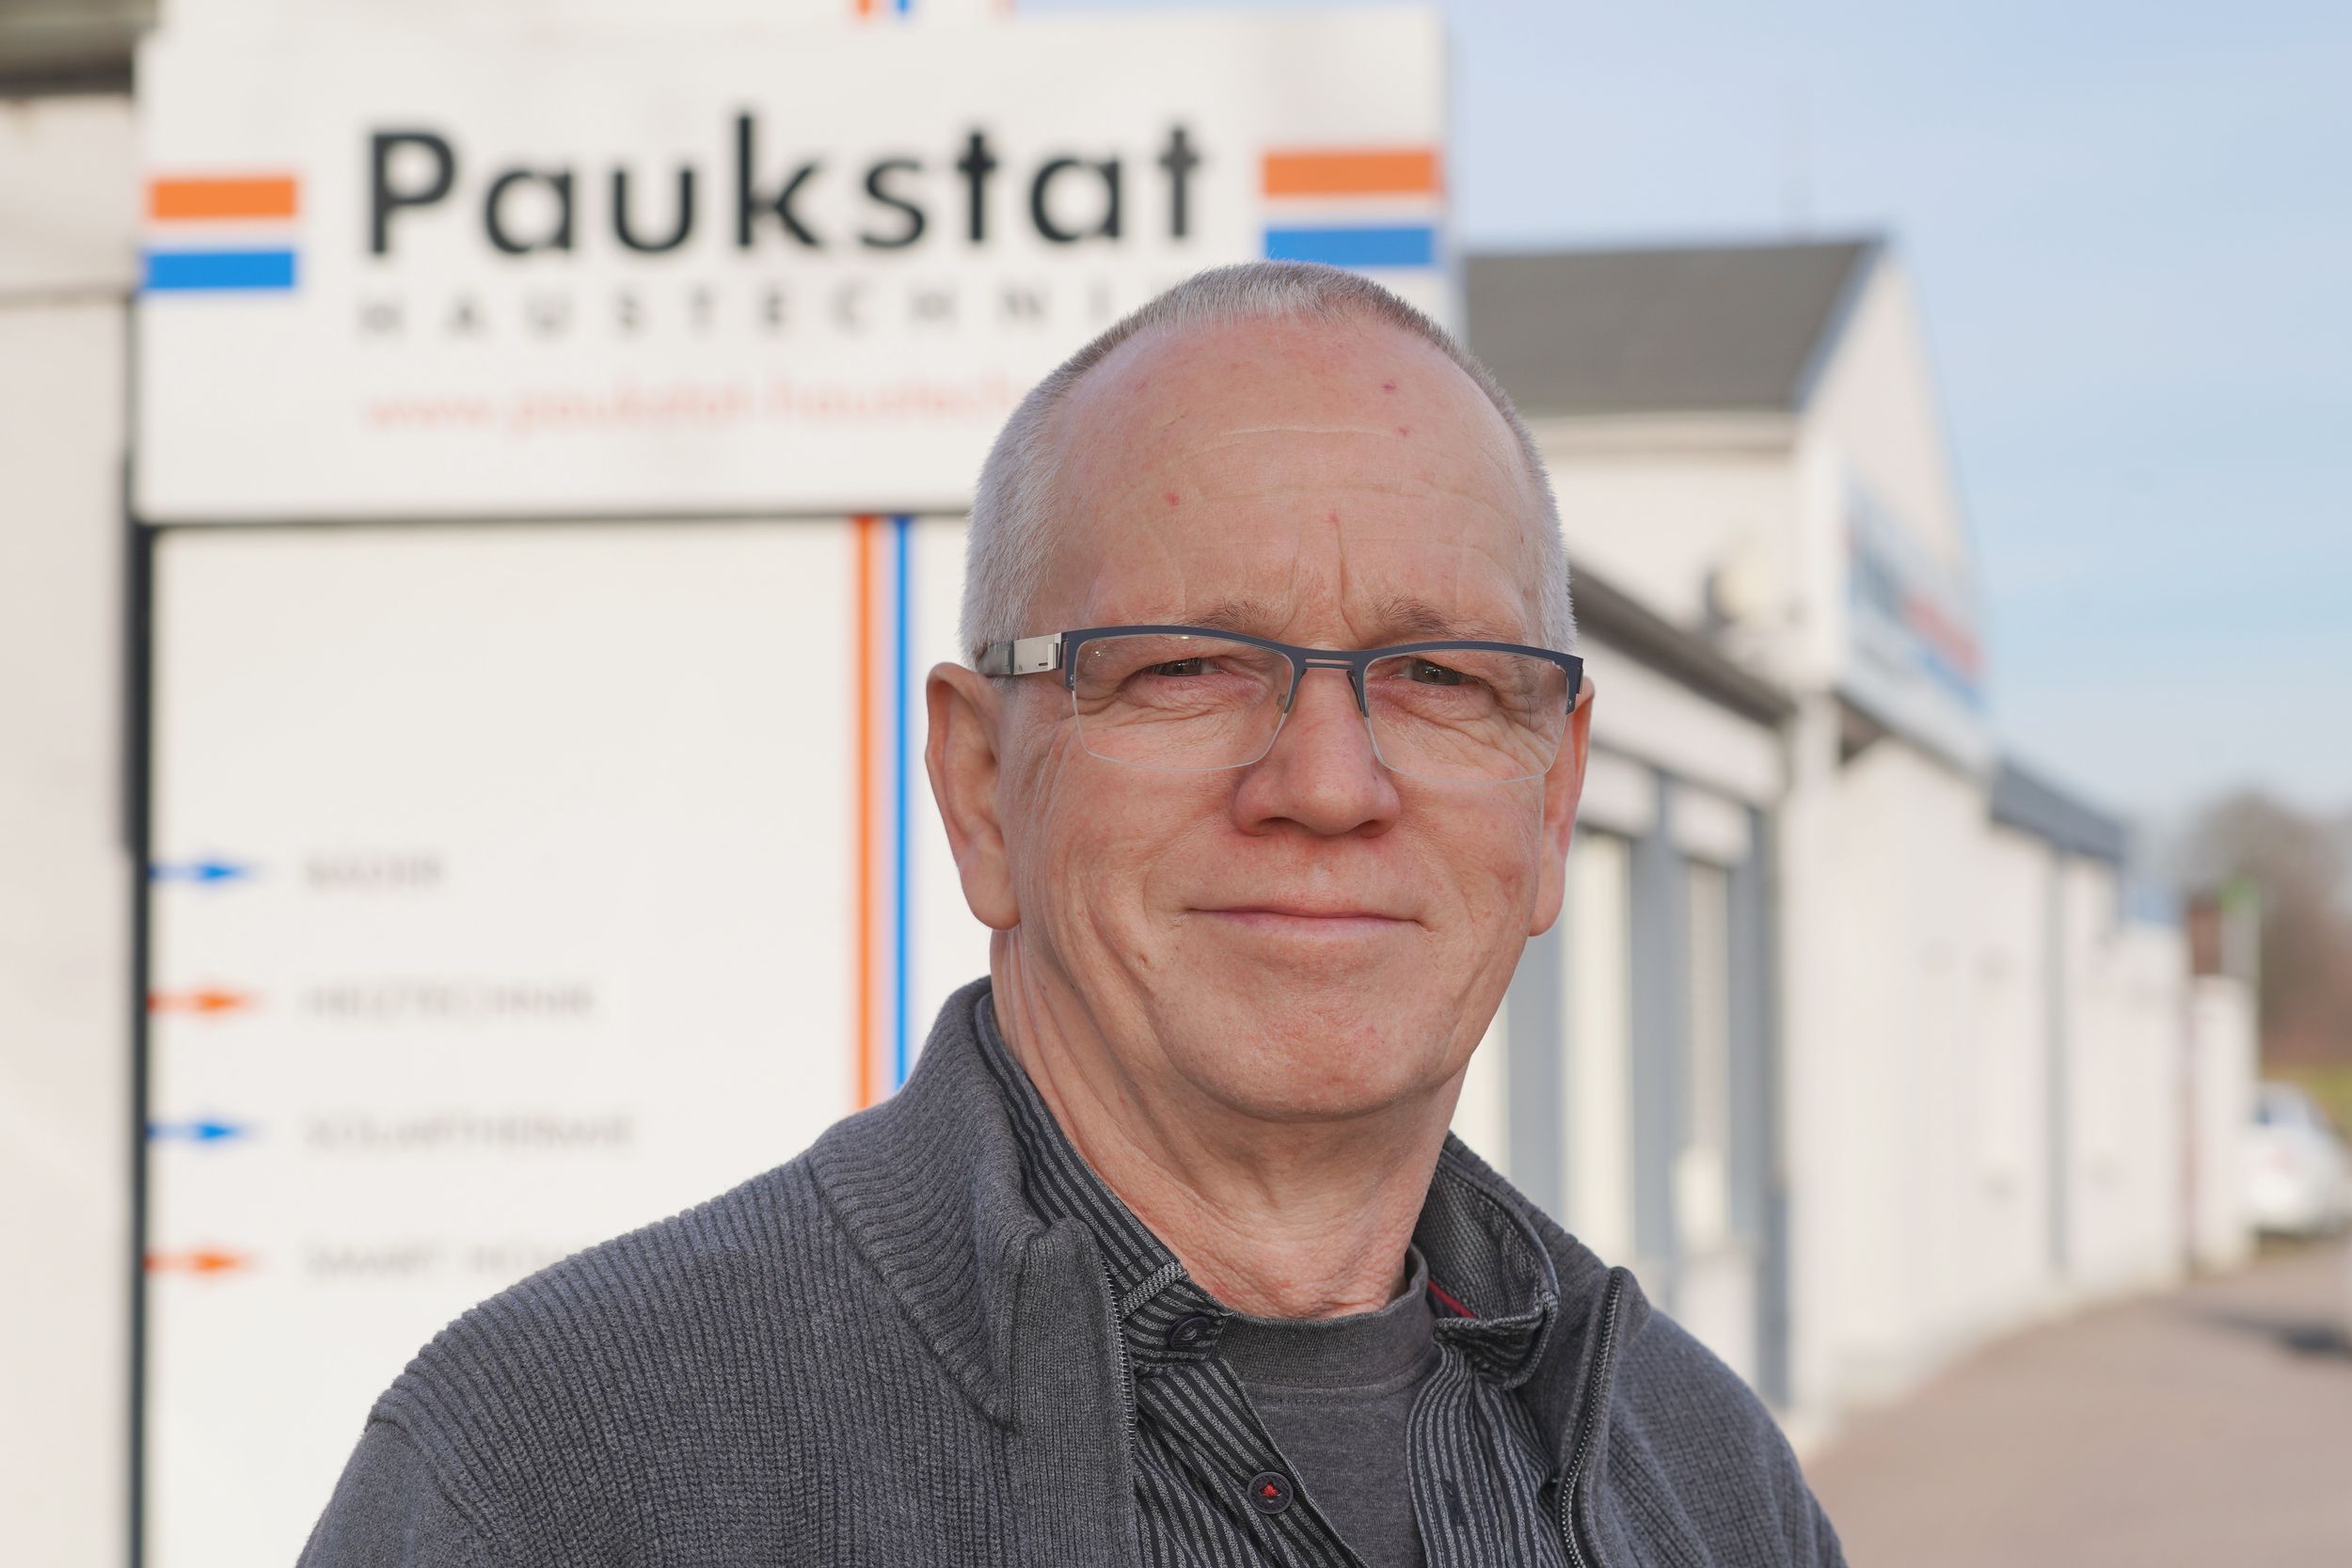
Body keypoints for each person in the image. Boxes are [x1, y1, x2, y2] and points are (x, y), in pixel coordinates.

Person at [296, 261, 1847, 1568]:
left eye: (1441, 674)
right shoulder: (559, 1480)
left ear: (1554, 801)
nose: (1326, 784)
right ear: (982, 788)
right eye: (1186, 666)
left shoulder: (1705, 1478)